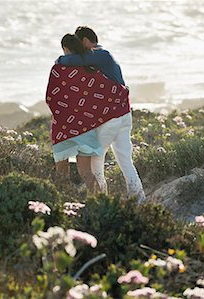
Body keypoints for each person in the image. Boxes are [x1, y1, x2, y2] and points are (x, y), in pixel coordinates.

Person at [57, 26, 146, 202]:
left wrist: (61, 57)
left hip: (111, 119)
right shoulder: (103, 57)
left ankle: (101, 200)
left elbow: (68, 61)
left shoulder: (100, 55)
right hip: (124, 115)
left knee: (94, 161)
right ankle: (139, 199)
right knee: (125, 160)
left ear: (84, 41)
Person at [53, 34, 101, 188]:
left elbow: (51, 97)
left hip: (63, 127)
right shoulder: (91, 69)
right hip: (87, 126)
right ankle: (100, 203)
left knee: (62, 171)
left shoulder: (58, 69)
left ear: (65, 49)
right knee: (86, 172)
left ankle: (63, 204)